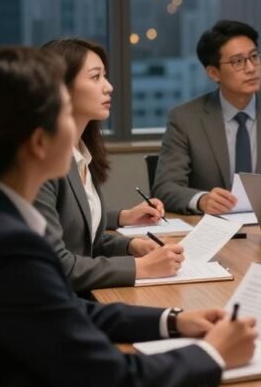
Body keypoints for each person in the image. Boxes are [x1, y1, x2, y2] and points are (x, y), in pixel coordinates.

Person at [0, 46, 258, 387]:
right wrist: (213, 353)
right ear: (38, 141)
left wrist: (173, 320)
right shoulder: (7, 247)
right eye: (65, 113)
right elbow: (116, 382)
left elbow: (63, 310)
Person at [35, 38, 182, 292]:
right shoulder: (43, 162)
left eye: (106, 76)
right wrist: (142, 268)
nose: (109, 87)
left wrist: (130, 246)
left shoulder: (82, 153)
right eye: (95, 77)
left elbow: (85, 241)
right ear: (61, 88)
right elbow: (57, 263)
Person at [154, 20, 261, 214]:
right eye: (238, 61)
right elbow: (165, 187)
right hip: (212, 230)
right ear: (213, 72)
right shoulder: (185, 118)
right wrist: (202, 200)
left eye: (254, 57)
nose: (251, 68)